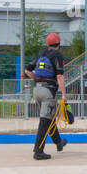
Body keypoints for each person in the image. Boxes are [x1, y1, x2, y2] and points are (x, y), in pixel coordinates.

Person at [26, 32, 68, 160]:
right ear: (59, 44)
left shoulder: (40, 54)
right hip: (48, 92)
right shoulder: (57, 55)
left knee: (48, 118)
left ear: (48, 43)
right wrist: (64, 95)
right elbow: (59, 76)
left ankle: (58, 142)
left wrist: (37, 79)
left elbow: (27, 70)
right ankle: (38, 151)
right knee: (45, 121)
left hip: (37, 90)